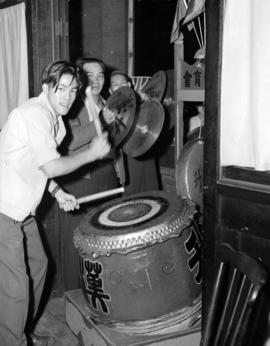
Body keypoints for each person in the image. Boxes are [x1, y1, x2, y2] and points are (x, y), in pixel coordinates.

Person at [0, 60, 111, 346]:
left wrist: (58, 192)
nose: (68, 97)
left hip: (23, 211)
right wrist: (92, 154)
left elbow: (35, 165)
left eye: (73, 91)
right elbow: (50, 165)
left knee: (39, 266)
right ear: (46, 88)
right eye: (61, 89)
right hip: (3, 211)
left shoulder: (56, 122)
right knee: (16, 290)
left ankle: (19, 332)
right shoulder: (33, 114)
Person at [57, 57, 119, 291]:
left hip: (107, 178)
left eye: (100, 75)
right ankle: (74, 297)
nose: (95, 80)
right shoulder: (71, 105)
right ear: (80, 79)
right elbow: (70, 142)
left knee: (104, 238)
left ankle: (101, 295)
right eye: (89, 75)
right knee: (77, 242)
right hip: (79, 180)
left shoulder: (109, 103)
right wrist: (101, 121)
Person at [106, 70, 160, 195]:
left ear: (130, 86)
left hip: (146, 153)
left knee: (152, 193)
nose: (120, 87)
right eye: (115, 85)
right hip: (126, 158)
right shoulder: (108, 111)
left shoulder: (142, 103)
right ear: (110, 91)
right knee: (132, 199)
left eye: (123, 83)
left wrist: (148, 102)